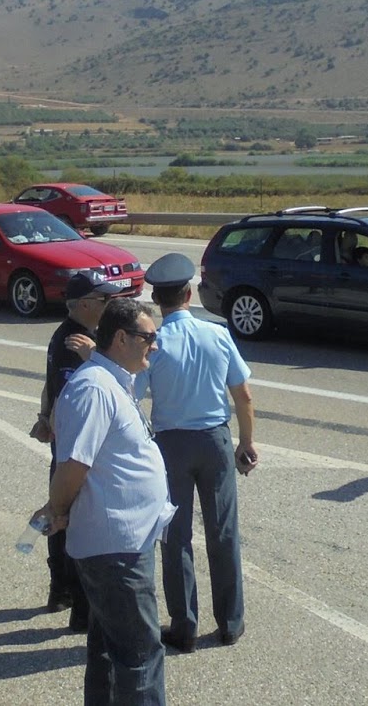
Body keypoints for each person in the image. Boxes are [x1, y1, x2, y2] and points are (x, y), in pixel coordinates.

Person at [37, 298, 174, 706]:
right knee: (139, 656)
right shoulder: (94, 387)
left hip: (120, 542)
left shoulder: (112, 380)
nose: (155, 345)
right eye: (148, 337)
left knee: (108, 651)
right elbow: (72, 466)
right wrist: (58, 509)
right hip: (116, 550)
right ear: (120, 339)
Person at [137, 252, 256, 654]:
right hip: (214, 442)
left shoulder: (153, 345)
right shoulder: (218, 334)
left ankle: (184, 626)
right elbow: (243, 396)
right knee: (223, 533)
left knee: (175, 537)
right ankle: (230, 623)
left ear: (158, 299)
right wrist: (246, 442)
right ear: (189, 294)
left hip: (171, 444)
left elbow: (132, 398)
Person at [31, 270, 121, 632]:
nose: (110, 304)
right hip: (76, 447)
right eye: (104, 299)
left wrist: (42, 415)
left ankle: (63, 592)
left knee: (64, 513)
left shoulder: (75, 335)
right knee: (72, 516)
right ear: (84, 304)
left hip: (68, 443)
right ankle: (76, 601)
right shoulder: (75, 342)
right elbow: (73, 395)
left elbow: (50, 386)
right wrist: (96, 357)